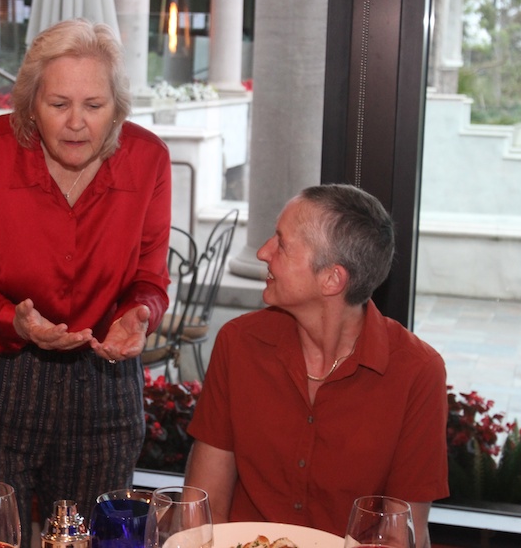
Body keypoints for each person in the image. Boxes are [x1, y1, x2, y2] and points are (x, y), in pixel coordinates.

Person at [0, 18, 171, 544]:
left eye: (95, 105)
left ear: (118, 107)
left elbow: (150, 276)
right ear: (30, 104)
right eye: (59, 105)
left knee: (94, 537)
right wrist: (11, 318)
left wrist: (141, 312)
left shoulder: (148, 159)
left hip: (100, 374)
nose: (77, 123)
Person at [184, 184, 448, 548]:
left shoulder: (417, 372)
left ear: (332, 279)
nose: (263, 252)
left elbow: (402, 533)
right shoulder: (239, 343)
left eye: (281, 244)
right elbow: (202, 506)